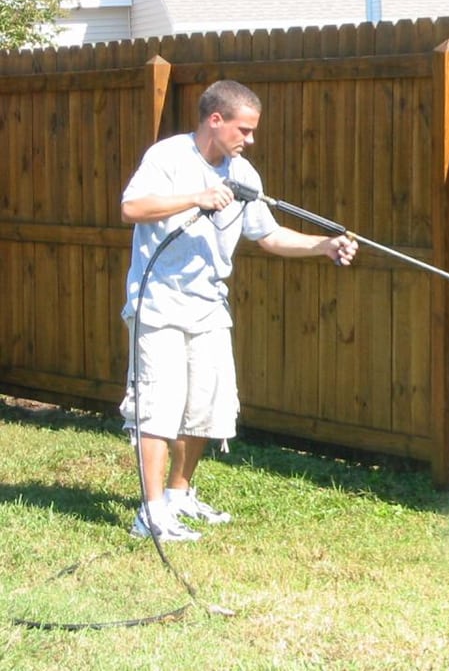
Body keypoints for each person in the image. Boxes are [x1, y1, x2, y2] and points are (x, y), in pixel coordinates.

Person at [119, 79, 358, 542]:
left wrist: (324, 245)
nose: (250, 140)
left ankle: (178, 497)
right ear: (215, 120)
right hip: (159, 303)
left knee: (206, 405)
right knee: (158, 407)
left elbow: (267, 236)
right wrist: (197, 197)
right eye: (243, 130)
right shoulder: (168, 157)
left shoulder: (244, 174)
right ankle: (149, 514)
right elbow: (132, 207)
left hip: (209, 306)